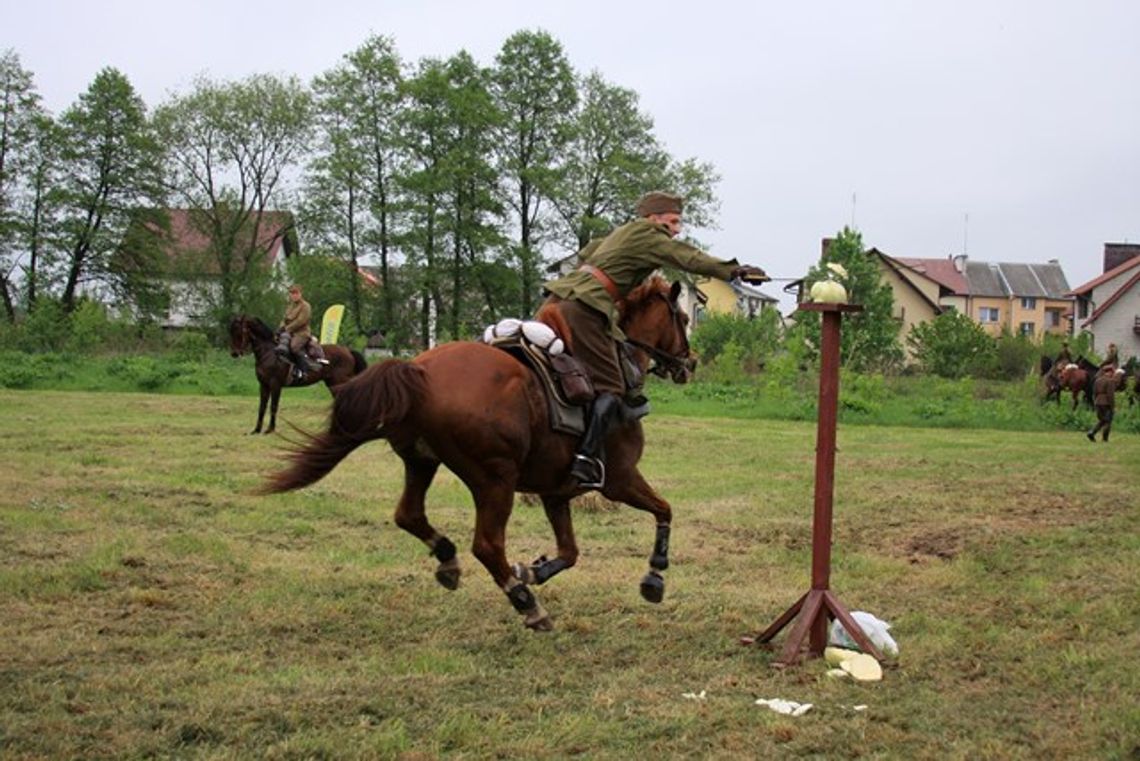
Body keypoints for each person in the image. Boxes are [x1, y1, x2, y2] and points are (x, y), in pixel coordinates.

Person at [539, 191, 768, 488]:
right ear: (653, 219)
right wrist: (734, 271)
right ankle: (585, 459)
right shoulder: (649, 235)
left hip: (555, 299)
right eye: (673, 222)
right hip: (584, 308)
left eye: (677, 223)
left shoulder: (620, 234)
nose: (676, 229)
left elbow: (586, 253)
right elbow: (688, 257)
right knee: (612, 386)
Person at [277, 284, 326, 376]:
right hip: (290, 332)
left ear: (300, 294)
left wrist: (287, 328)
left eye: (296, 293)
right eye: (292, 293)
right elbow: (284, 319)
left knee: (294, 347)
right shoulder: (290, 306)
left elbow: (301, 321)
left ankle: (304, 368)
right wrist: (280, 328)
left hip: (302, 333)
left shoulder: (306, 306)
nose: (294, 295)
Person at [1087, 361, 1117, 442]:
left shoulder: (1097, 380)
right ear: (1110, 372)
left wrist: (1095, 401)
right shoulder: (1110, 381)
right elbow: (1110, 395)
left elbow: (1094, 393)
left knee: (1102, 420)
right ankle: (1104, 439)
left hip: (1097, 402)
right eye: (1112, 372)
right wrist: (1113, 406)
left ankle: (1091, 432)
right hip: (1106, 403)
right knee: (1108, 421)